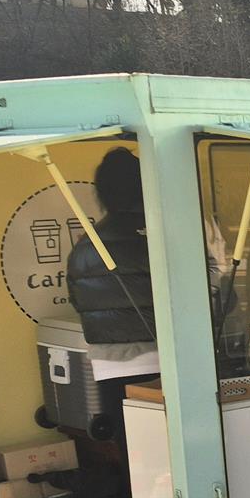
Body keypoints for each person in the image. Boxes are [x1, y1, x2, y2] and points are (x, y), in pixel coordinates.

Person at [67, 147, 158, 348]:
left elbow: (77, 299)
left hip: (105, 357)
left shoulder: (85, 245)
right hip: (162, 353)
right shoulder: (160, 235)